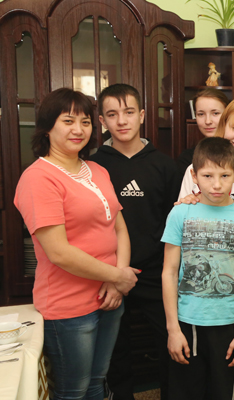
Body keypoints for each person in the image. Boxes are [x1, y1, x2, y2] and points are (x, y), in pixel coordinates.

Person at [14, 88, 139, 400]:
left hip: (109, 297)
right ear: (47, 127)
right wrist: (117, 276)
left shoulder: (96, 170)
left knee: (98, 382)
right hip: (69, 306)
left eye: (85, 122)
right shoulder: (38, 178)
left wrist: (117, 281)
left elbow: (119, 229)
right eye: (68, 121)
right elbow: (59, 252)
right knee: (74, 390)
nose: (78, 129)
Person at [90, 84, 181, 400]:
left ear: (142, 115)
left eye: (129, 112)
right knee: (115, 350)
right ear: (102, 120)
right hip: (110, 272)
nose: (122, 121)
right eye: (112, 114)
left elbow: (174, 220)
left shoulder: (166, 165)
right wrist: (113, 273)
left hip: (157, 272)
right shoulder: (94, 166)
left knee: (171, 344)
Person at [161, 137, 234, 399]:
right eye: (207, 176)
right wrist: (173, 329)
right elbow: (169, 272)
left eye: (224, 175)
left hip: (230, 323)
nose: (216, 184)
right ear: (194, 176)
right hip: (187, 321)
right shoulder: (180, 213)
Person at [177, 88, 229, 173]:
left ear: (227, 114)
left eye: (215, 113)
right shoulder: (187, 159)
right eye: (201, 114)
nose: (208, 121)